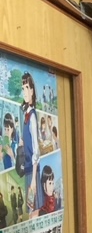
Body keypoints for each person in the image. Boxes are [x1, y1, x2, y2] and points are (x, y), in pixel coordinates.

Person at [19, 72, 41, 214]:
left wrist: (33, 179)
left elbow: (36, 149)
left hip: (32, 172)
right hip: (28, 170)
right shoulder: (26, 113)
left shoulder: (32, 116)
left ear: (32, 90)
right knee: (31, 209)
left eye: (27, 87)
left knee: (33, 211)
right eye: (23, 88)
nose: (25, 92)